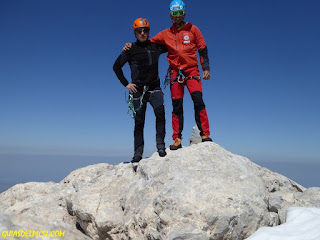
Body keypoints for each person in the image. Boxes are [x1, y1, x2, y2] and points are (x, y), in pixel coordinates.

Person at [125, 0, 212, 150]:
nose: (177, 16)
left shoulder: (193, 30)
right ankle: (177, 138)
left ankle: (205, 134)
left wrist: (206, 68)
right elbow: (147, 41)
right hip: (175, 72)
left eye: (179, 13)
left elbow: (202, 48)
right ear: (170, 15)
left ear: (184, 13)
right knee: (177, 105)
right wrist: (132, 45)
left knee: (198, 100)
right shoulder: (166, 34)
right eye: (174, 14)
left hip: (191, 70)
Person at [113, 18, 167, 163]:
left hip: (154, 88)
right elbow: (116, 66)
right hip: (138, 91)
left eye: (145, 30)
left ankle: (161, 146)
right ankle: (138, 153)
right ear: (135, 33)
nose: (143, 33)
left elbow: (172, 44)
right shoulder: (130, 49)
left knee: (160, 115)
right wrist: (126, 84)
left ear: (149, 32)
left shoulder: (156, 47)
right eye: (139, 31)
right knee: (139, 122)